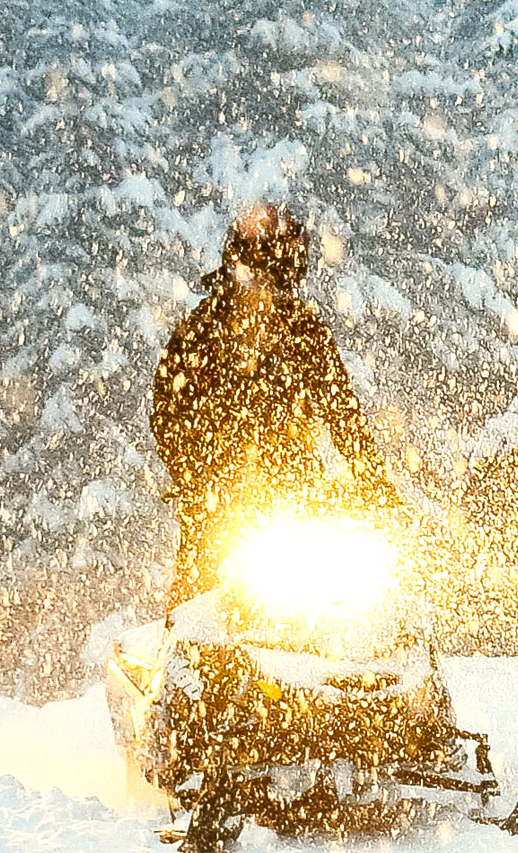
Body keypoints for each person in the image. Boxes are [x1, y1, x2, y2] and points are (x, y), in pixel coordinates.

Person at [152, 203, 396, 607]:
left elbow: (345, 416)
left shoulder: (305, 330)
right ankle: (181, 658)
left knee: (354, 613)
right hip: (220, 512)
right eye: (264, 266)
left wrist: (380, 492)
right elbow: (167, 413)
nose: (267, 285)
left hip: (294, 507)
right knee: (196, 610)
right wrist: (196, 477)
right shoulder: (202, 330)